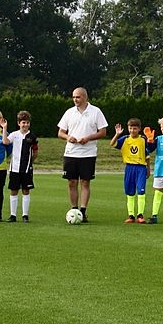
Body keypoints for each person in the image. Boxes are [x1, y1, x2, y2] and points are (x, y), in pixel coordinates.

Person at [57, 87, 108, 222]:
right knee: (72, 182)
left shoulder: (96, 111)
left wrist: (88, 138)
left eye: (78, 97)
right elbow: (60, 132)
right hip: (71, 153)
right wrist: (68, 137)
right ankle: (74, 210)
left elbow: (103, 132)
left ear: (85, 97)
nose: (75, 99)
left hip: (88, 153)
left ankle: (83, 212)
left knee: (85, 182)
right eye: (73, 97)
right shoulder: (69, 112)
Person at [111, 118, 152, 224]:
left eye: (135, 128)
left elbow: (147, 156)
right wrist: (117, 134)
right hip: (129, 168)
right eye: (130, 128)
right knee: (130, 192)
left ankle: (140, 215)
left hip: (141, 168)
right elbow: (112, 144)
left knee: (141, 191)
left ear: (139, 129)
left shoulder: (143, 139)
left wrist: (148, 169)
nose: (132, 130)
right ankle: (131, 215)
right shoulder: (125, 139)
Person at [2, 111, 39, 223]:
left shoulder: (32, 137)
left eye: (27, 122)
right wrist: (4, 128)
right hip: (14, 168)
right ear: (19, 123)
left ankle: (25, 215)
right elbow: (5, 142)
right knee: (14, 190)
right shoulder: (14, 134)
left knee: (26, 190)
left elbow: (35, 152)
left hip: (26, 169)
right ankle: (13, 215)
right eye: (23, 122)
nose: (25, 125)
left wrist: (30, 162)